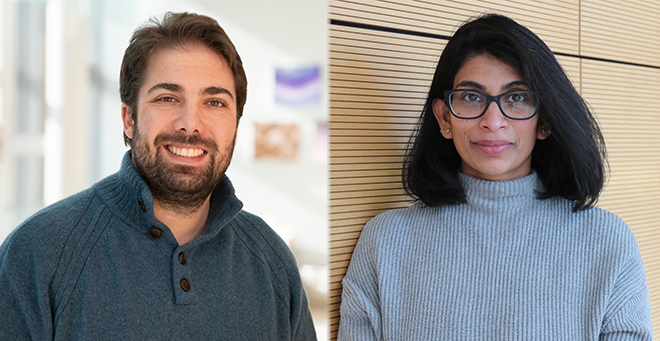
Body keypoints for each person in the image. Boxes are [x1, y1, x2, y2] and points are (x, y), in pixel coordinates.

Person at [0, 12, 316, 340]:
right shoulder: (36, 254)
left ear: (235, 126)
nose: (190, 123)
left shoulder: (271, 258)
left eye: (215, 102)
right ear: (129, 118)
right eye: (167, 98)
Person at [338, 14, 652, 340]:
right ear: (444, 118)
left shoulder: (608, 243)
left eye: (516, 98)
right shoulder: (384, 243)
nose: (493, 120)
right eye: (472, 97)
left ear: (544, 120)